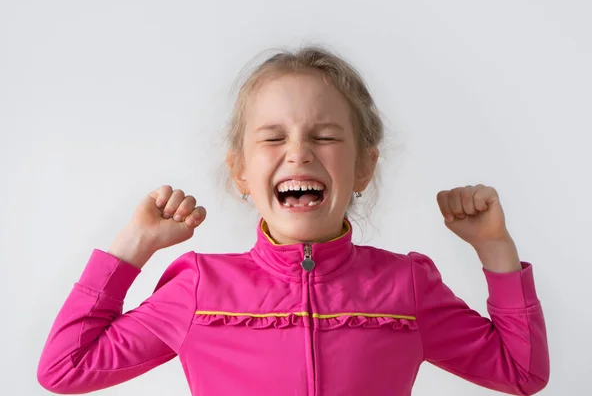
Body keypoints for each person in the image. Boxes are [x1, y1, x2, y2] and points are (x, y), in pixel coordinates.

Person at [37, 45, 550, 395]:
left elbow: (522, 371)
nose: (299, 154)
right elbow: (65, 368)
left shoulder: (405, 285)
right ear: (239, 171)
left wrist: (495, 251)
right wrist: (132, 248)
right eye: (273, 137)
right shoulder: (199, 286)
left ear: (364, 167)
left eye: (325, 137)